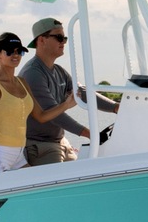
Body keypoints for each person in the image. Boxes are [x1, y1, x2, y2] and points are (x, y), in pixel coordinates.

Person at [19, 17, 119, 166]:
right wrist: (89, 133)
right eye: (59, 37)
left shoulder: (59, 71)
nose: (63, 42)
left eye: (64, 38)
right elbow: (52, 114)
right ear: (41, 40)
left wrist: (116, 107)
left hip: (60, 142)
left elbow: (82, 93)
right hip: (41, 146)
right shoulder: (33, 73)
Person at [0, 32, 34, 173]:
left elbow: (41, 115)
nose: (15, 55)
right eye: (9, 52)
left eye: (19, 51)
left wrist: (68, 103)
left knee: (36, 185)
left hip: (19, 155)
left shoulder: (23, 82)